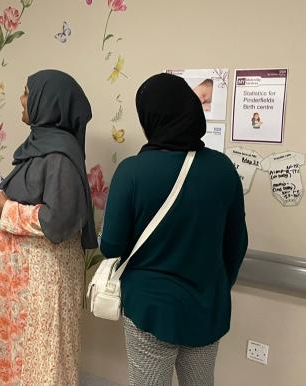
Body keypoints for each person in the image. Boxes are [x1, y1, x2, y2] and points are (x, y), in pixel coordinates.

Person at [100, 73, 247, 386]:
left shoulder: (132, 172)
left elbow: (111, 246)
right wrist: (216, 285)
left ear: (150, 118)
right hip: (207, 305)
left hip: (150, 309)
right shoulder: (222, 169)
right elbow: (237, 244)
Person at [0, 69, 97, 385]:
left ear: (47, 100)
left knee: (41, 358)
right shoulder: (38, 145)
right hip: (21, 277)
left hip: (42, 279)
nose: (21, 98)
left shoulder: (60, 155)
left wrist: (5, 208)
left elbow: (59, 220)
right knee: (17, 353)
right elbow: (31, 195)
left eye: (27, 92)